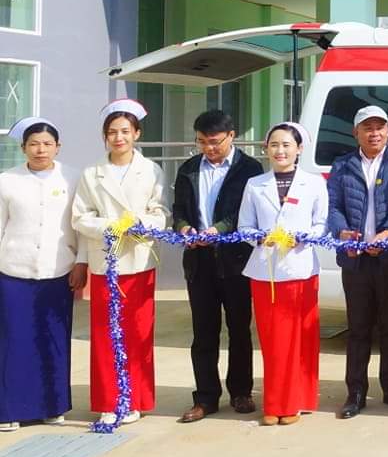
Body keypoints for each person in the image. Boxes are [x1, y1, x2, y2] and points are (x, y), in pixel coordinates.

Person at [71, 99, 168, 426]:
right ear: (104, 136)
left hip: (139, 261)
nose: (119, 138)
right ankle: (109, 401)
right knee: (105, 334)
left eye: (125, 131)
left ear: (136, 134)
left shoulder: (151, 170)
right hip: (106, 263)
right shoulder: (91, 173)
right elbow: (80, 217)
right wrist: (110, 226)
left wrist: (138, 223)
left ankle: (136, 398)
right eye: (112, 132)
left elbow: (160, 213)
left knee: (138, 332)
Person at [327, 105, 388, 419]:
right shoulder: (342, 165)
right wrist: (342, 231)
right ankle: (355, 392)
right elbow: (333, 206)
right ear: (356, 133)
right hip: (355, 260)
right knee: (358, 328)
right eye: (367, 128)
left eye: (380, 127)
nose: (374, 133)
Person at [172, 109, 264, 424]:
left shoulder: (249, 169)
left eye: (215, 142)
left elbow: (246, 213)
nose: (209, 148)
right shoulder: (188, 169)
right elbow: (179, 210)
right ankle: (205, 397)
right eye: (202, 142)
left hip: (236, 262)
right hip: (198, 263)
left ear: (231, 136)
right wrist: (184, 228)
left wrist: (219, 229)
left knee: (239, 330)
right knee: (203, 332)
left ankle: (241, 392)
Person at [237, 122, 327, 426]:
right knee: (274, 341)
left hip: (300, 270)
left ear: (299, 149)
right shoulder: (255, 184)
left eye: (287, 145)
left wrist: (302, 236)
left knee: (300, 339)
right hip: (266, 273)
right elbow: (244, 226)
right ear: (266, 149)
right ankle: (275, 403)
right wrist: (259, 237)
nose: (280, 151)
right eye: (274, 145)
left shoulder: (314, 183)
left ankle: (297, 401)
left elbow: (321, 224)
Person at [0, 118, 86, 432]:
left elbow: (81, 226)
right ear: (23, 147)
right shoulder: (6, 180)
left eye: (47, 144)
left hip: (58, 271)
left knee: (53, 340)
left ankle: (53, 406)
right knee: (13, 341)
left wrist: (81, 262)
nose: (41, 150)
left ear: (57, 147)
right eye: (34, 144)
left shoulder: (73, 178)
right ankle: (9, 409)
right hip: (13, 271)